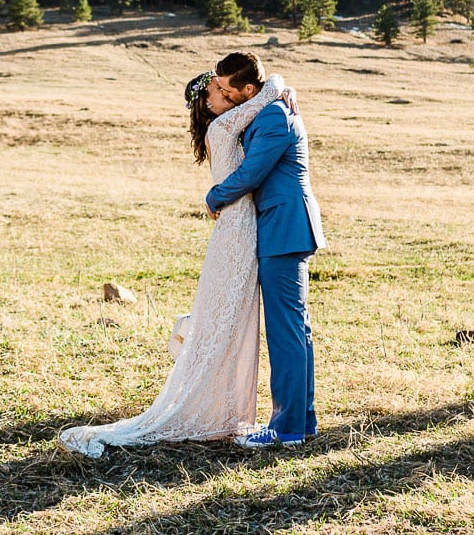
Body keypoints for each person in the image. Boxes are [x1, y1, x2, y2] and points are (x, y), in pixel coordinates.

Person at [58, 70, 289, 458]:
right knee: (228, 317)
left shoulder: (224, 125)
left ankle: (226, 410)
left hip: (241, 226)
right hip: (237, 230)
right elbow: (266, 95)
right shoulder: (222, 127)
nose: (227, 92)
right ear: (206, 102)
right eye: (218, 89)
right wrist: (282, 84)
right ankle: (211, 407)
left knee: (236, 318)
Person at [207, 51, 326, 450]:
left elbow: (252, 172)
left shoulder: (274, 116)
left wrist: (215, 196)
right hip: (282, 226)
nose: (222, 93)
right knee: (295, 329)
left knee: (286, 331)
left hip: (285, 226)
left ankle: (287, 428)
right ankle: (301, 422)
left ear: (249, 90)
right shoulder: (269, 107)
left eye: (227, 89)